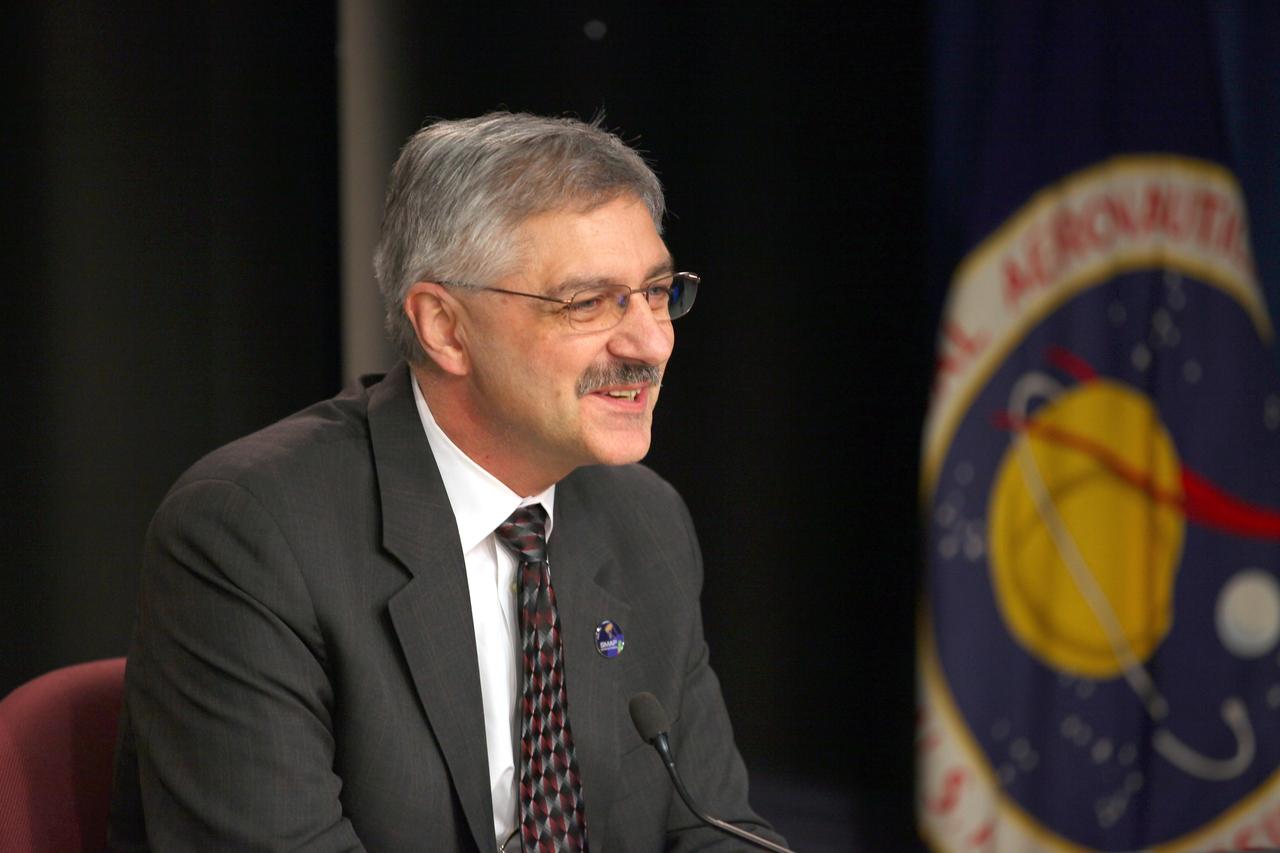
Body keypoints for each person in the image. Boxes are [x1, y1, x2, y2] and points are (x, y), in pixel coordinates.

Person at [109, 112, 782, 852]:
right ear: (444, 328)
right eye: (588, 303)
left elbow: (714, 827)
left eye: (655, 291)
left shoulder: (644, 518)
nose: (651, 343)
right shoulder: (252, 535)